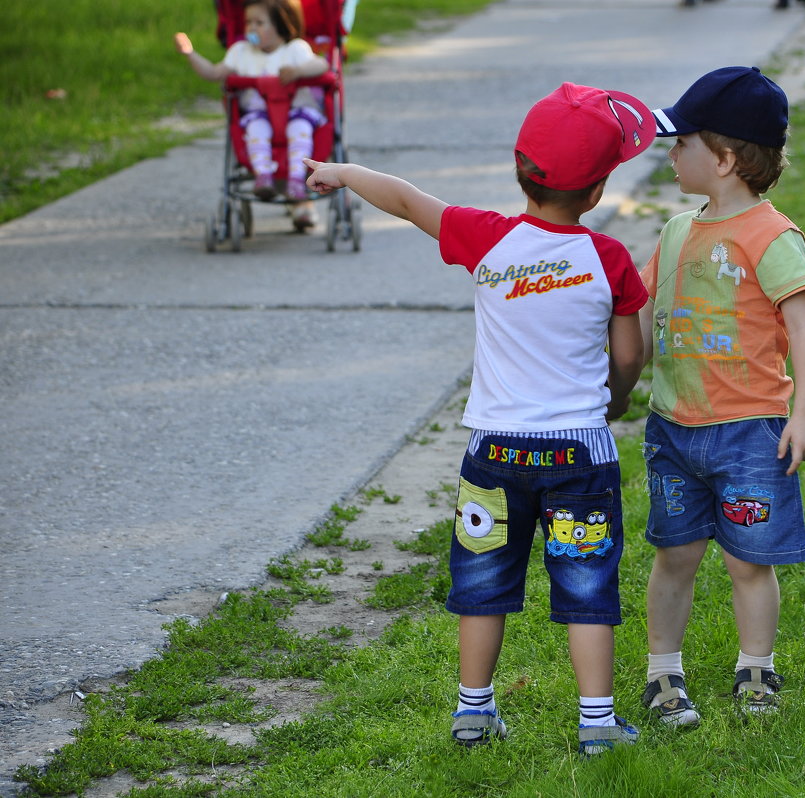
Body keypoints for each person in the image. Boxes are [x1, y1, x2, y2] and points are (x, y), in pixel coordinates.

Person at [305, 81, 654, 755]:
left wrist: (342, 172)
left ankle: (473, 712)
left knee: (483, 585)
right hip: (578, 454)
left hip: (493, 451)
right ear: (596, 191)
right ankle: (598, 722)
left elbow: (405, 200)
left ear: (520, 171)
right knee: (586, 585)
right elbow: (631, 351)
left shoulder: (487, 240)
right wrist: (614, 399)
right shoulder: (607, 258)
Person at [637, 66, 805, 727]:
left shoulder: (772, 236)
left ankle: (756, 668)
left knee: (750, 561)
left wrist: (803, 415)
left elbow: (803, 326)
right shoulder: (675, 232)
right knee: (676, 555)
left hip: (750, 429)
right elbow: (643, 308)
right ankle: (664, 675)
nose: (669, 153)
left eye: (680, 141)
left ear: (721, 158)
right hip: (675, 428)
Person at [174, 0, 328, 230]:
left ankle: (297, 180)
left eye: (259, 23)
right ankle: (263, 176)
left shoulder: (295, 49)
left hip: (296, 112)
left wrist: (298, 72)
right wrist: (190, 53)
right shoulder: (241, 52)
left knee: (301, 131)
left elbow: (321, 66)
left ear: (280, 26)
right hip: (259, 114)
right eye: (248, 23)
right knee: (256, 129)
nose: (251, 29)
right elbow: (214, 73)